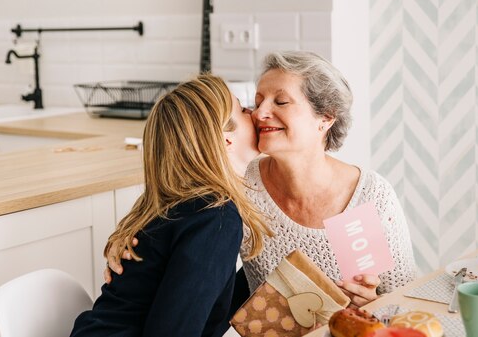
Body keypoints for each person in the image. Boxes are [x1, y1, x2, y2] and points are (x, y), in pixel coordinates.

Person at [106, 51, 417, 310]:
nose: (259, 113)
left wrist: (373, 303)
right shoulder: (239, 183)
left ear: (325, 118)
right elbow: (170, 208)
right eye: (257, 101)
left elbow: (406, 303)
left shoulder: (368, 197)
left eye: (280, 102)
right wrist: (127, 243)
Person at [70, 74, 271, 337]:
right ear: (225, 140)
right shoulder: (216, 218)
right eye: (244, 110)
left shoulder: (187, 205)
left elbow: (203, 306)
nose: (255, 114)